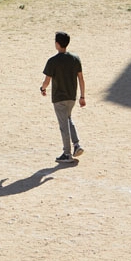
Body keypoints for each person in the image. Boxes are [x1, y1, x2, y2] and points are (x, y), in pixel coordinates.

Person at [40, 31, 86, 164]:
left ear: (57, 44)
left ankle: (67, 153)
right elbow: (81, 79)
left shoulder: (52, 61)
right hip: (72, 96)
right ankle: (76, 145)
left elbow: (47, 81)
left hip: (59, 98)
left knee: (63, 126)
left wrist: (43, 89)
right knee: (68, 119)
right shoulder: (75, 58)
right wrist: (82, 96)